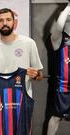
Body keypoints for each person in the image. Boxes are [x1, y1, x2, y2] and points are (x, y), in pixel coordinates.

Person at [0, 8, 43, 134]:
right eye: (1, 20)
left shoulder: (29, 43)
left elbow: (40, 75)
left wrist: (36, 74)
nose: (5, 23)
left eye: (8, 20)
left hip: (21, 102)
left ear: (14, 22)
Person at [47, 2, 70, 135]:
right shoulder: (59, 39)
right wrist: (68, 7)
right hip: (64, 88)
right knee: (56, 117)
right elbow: (59, 26)